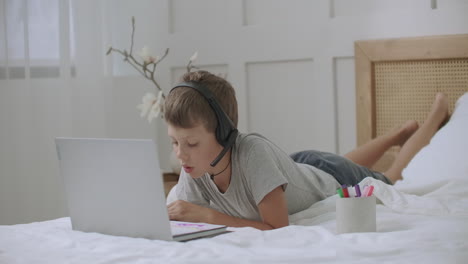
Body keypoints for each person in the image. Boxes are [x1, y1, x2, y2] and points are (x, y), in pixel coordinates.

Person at [165, 70, 449, 230]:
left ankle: (436, 116)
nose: (181, 154)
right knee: (336, 164)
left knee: (391, 176)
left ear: (225, 134)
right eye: (175, 142)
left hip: (328, 177)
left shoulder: (252, 153)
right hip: (298, 169)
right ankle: (395, 135)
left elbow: (276, 228)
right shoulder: (195, 164)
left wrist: (209, 216)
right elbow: (186, 217)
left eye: (191, 143)